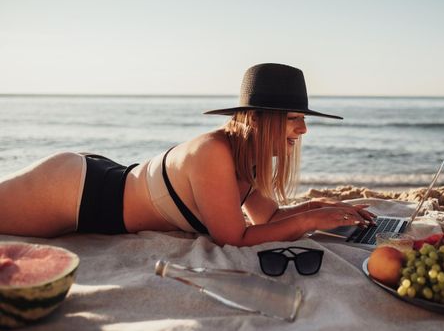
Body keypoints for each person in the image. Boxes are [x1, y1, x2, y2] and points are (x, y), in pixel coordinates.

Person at [0, 63, 375, 246]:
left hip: (103, 181)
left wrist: (321, 209)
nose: (304, 129)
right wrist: (311, 221)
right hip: (74, 191)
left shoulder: (246, 157)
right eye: (294, 119)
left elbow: (269, 216)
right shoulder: (212, 152)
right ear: (260, 120)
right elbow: (235, 238)